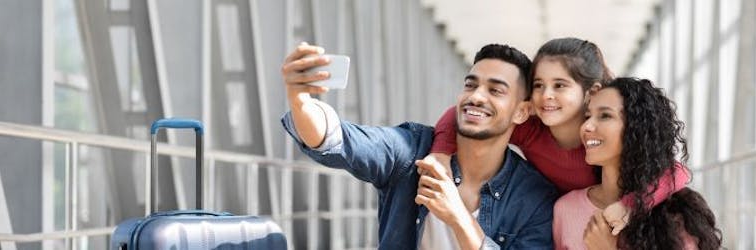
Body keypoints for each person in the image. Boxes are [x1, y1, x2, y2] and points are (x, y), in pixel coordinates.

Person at [280, 42, 557, 249]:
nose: (476, 97)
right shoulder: (413, 150)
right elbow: (340, 140)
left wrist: (458, 217)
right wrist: (300, 101)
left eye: (495, 90)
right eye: (470, 86)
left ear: (521, 112)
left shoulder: (533, 198)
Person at [429, 38, 690, 235]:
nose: (546, 96)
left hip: (612, 222)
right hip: (557, 221)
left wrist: (629, 206)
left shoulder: (601, 142)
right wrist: (440, 155)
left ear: (592, 91)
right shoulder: (528, 128)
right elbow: (458, 113)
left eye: (560, 85)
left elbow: (678, 172)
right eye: (539, 85)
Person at [558, 77, 722, 249]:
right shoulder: (565, 209)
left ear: (636, 128)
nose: (586, 127)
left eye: (605, 116)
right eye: (587, 116)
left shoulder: (675, 214)